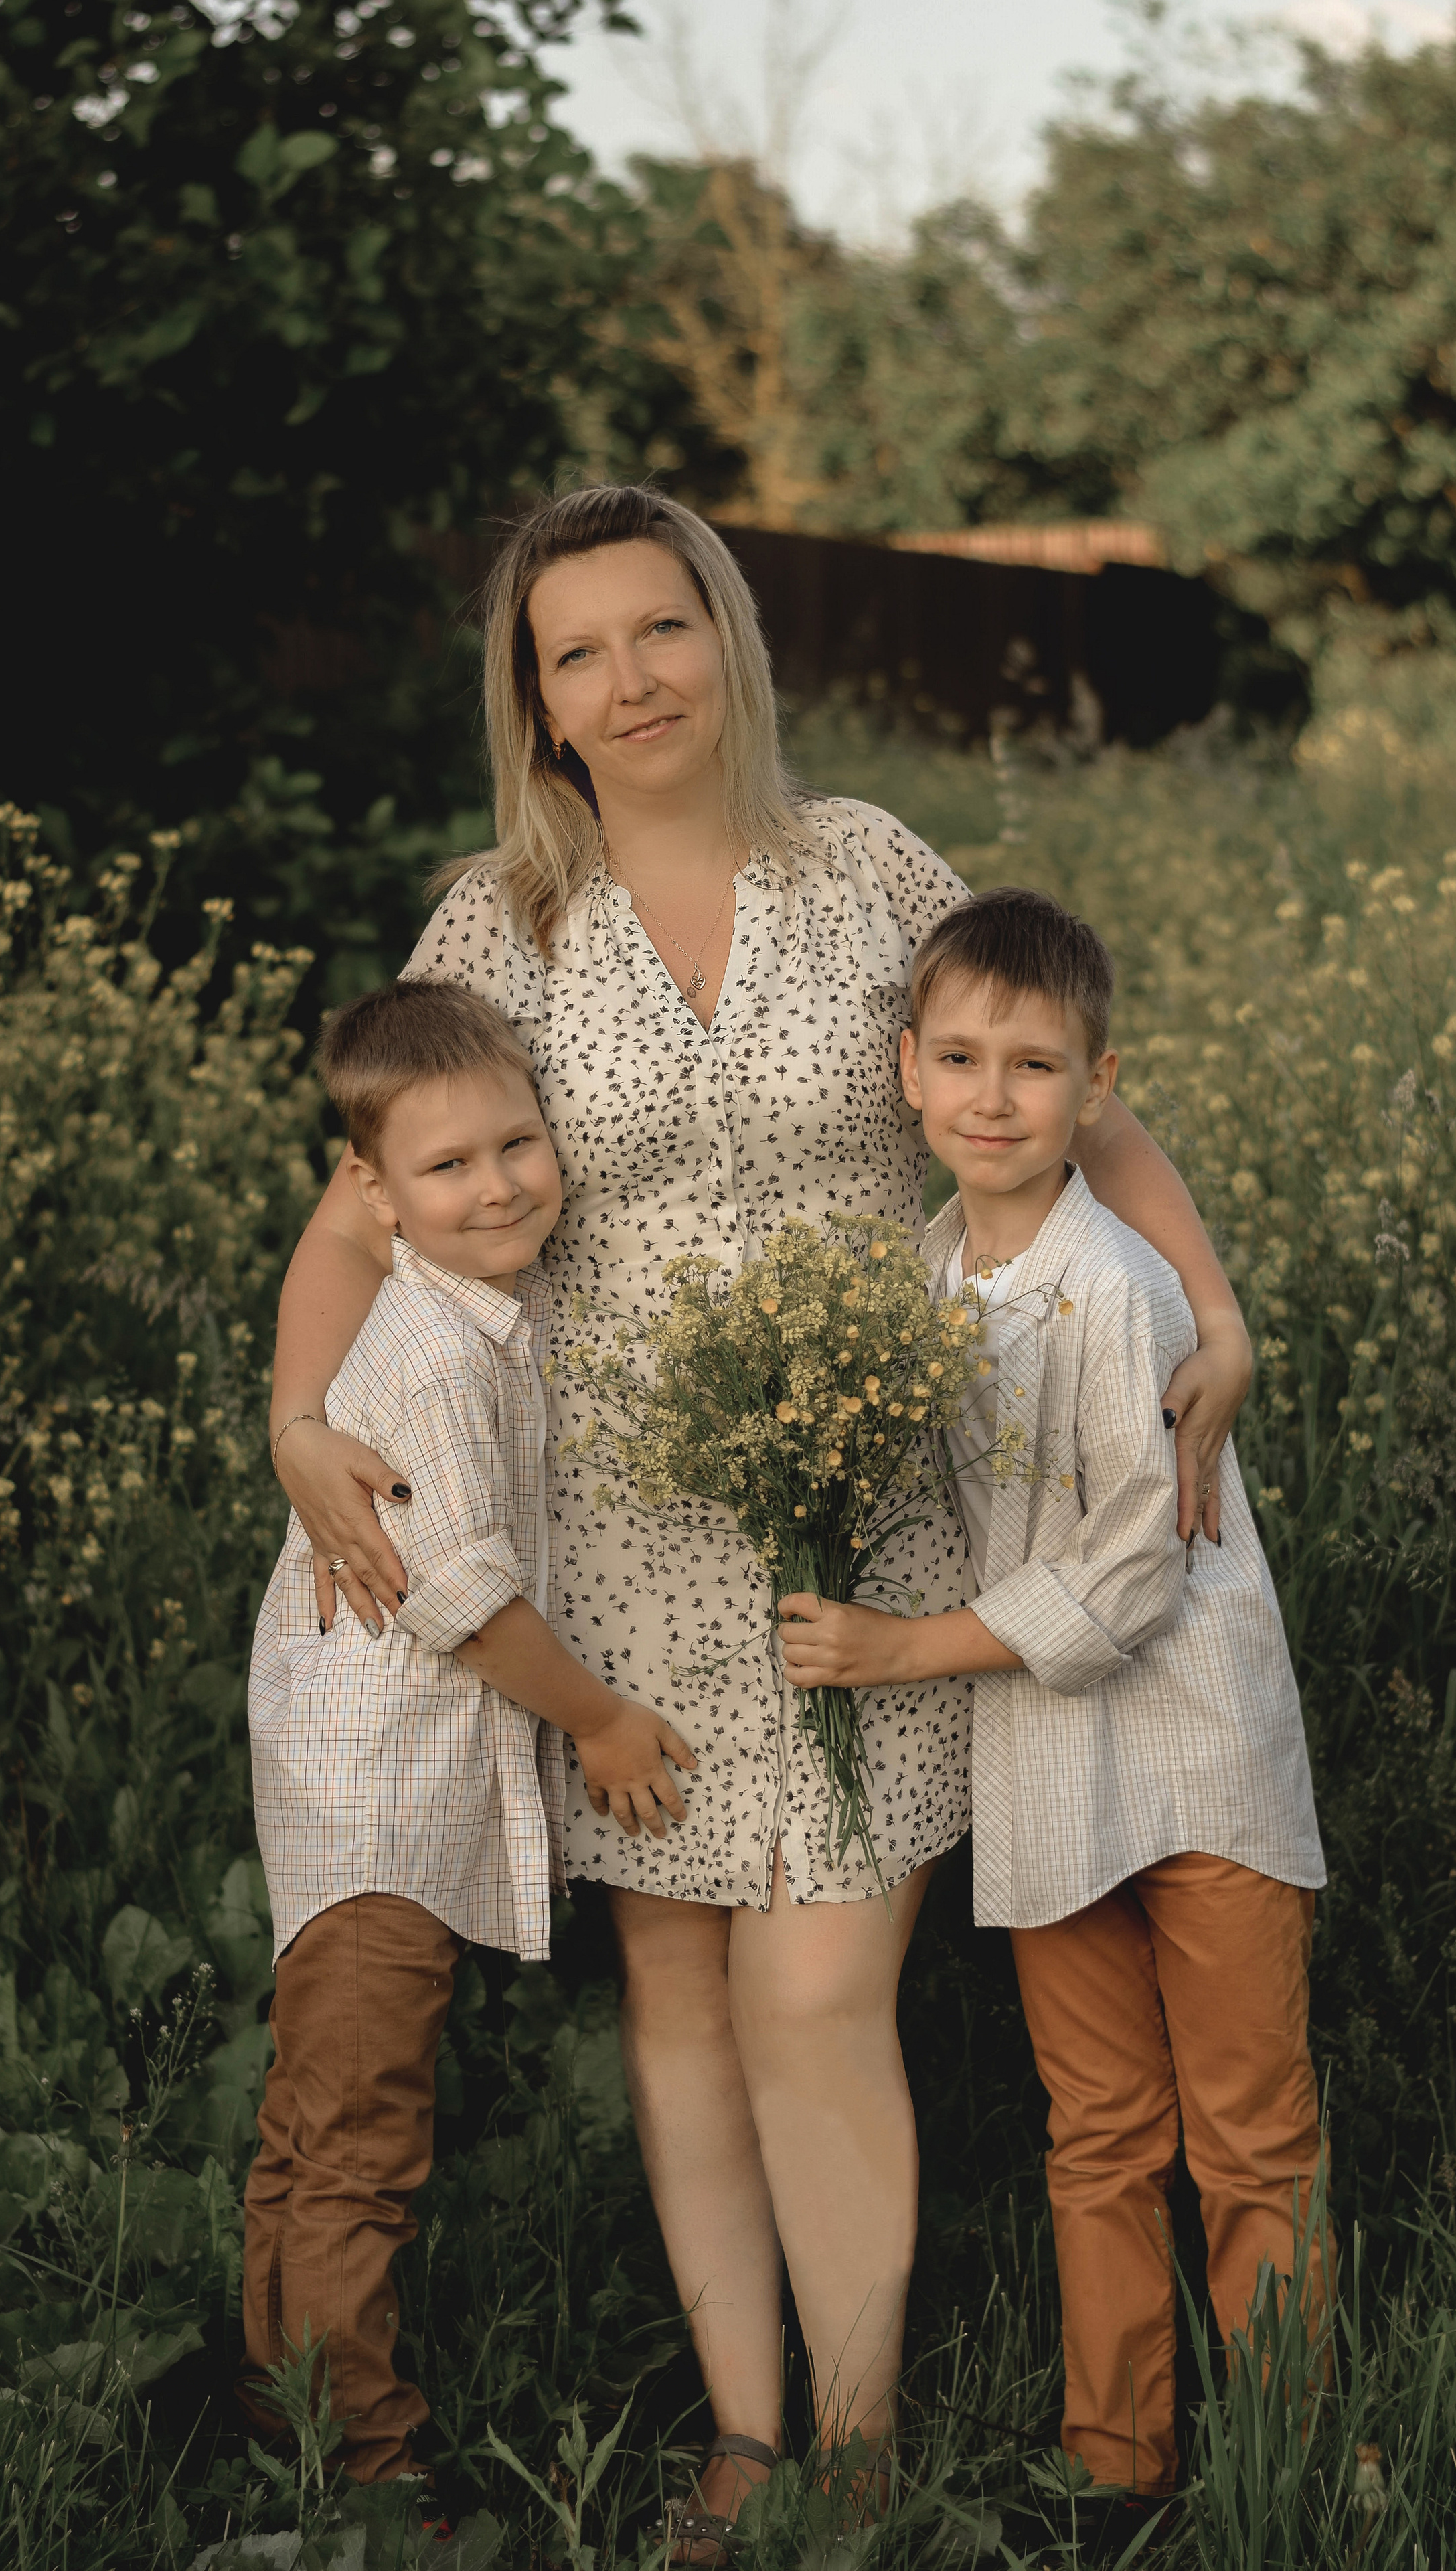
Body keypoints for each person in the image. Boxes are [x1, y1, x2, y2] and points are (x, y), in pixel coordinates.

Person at [266, 485, 1255, 2545]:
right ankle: (746, 2436)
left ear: (727, 639)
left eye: (660, 631)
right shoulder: (496, 924)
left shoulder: (871, 866)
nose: (628, 682)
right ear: (534, 704)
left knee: (819, 1991)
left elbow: (1074, 1086)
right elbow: (367, 1202)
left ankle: (871, 2453)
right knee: (685, 1997)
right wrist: (293, 1415)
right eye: (577, 653)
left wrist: (1218, 1321)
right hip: (610, 1533)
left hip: (873, 1505)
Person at [778, 887, 1329, 2538]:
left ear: (1099, 1086)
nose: (991, 1096)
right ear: (906, 1071)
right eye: (957, 1058)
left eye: (1033, 1065)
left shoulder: (1114, 1289)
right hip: (1044, 1773)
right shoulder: (929, 1270)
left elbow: (1125, 1582)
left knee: (1245, 2131)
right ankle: (1116, 2468)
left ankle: (1286, 2462)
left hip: (1188, 1758)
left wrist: (891, 1650)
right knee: (1092, 2131)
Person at [240, 976, 695, 2485]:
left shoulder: (476, 1313)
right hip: (375, 1781)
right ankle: (362, 2462)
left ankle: (280, 2405)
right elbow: (466, 1601)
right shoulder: (432, 1356)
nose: (496, 1186)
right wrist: (605, 1724)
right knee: (357, 2129)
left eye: (518, 1144)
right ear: (368, 1194)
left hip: (384, 1768)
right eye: (446, 1168)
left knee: (321, 2118)